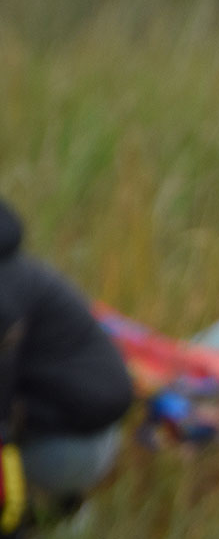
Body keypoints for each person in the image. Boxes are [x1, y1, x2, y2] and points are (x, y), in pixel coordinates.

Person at [0, 196, 133, 514]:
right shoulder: (17, 269)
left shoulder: (6, 290)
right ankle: (58, 514)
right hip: (81, 431)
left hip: (73, 444)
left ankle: (41, 512)